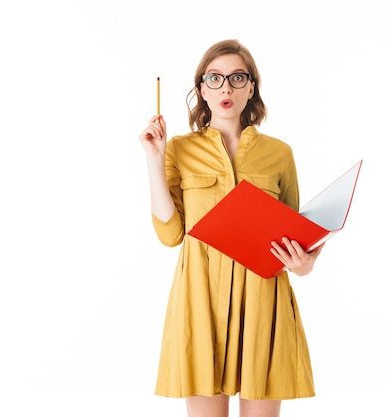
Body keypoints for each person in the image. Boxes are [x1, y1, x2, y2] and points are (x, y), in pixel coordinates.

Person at [138, 39, 325, 417]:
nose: (227, 87)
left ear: (251, 87)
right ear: (202, 88)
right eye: (216, 78)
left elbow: (294, 237)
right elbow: (170, 235)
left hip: (262, 301)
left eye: (237, 78)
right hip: (200, 298)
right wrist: (155, 162)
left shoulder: (279, 154)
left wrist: (304, 264)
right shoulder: (179, 149)